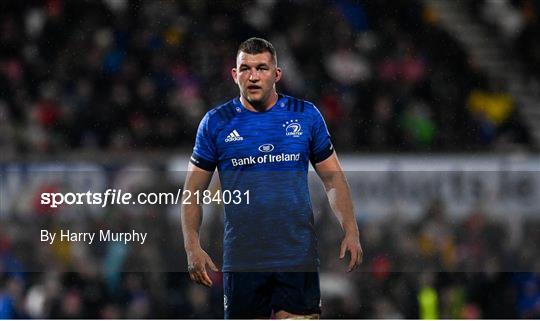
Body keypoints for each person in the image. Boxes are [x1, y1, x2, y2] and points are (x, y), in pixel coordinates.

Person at [181, 37, 363, 319]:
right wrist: (192, 246)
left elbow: (333, 180)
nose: (253, 76)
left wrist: (350, 229)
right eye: (245, 68)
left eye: (262, 68)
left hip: (296, 257)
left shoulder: (306, 116)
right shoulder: (216, 123)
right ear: (234, 74)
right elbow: (193, 191)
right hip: (244, 260)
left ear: (277, 74)